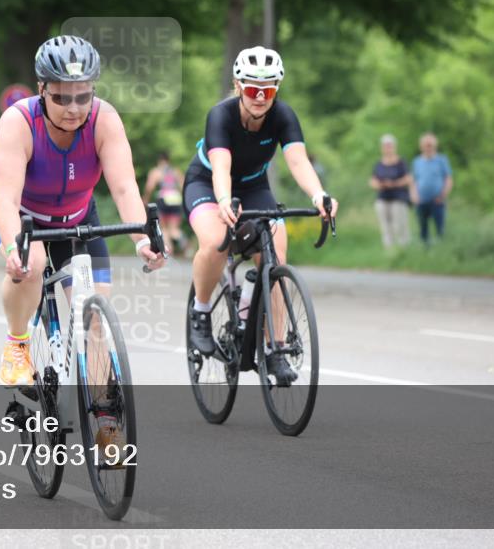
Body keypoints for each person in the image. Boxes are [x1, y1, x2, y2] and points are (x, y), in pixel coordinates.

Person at [0, 35, 166, 453]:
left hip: (78, 218)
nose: (73, 108)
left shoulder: (105, 120)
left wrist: (142, 239)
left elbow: (124, 187)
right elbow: (6, 199)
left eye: (83, 96)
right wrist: (12, 250)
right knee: (30, 262)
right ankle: (17, 343)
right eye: (62, 97)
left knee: (94, 320)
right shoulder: (18, 121)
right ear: (41, 89)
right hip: (23, 215)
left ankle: (105, 421)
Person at [184, 46, 337, 385]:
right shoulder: (220, 115)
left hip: (254, 187)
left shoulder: (283, 116)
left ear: (276, 90)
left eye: (267, 91)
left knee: (275, 257)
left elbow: (298, 160)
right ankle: (201, 311)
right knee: (216, 242)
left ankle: (275, 349)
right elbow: (221, 166)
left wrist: (319, 195)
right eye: (253, 89)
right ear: (238, 86)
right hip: (208, 184)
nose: (259, 97)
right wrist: (224, 200)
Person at [370, 134, 412, 248]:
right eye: (385, 146)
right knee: (385, 226)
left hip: (398, 198)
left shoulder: (401, 162)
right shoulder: (379, 164)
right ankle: (389, 249)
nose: (387, 148)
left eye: (389, 145)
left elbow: (408, 179)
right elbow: (373, 180)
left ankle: (403, 248)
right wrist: (380, 184)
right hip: (383, 198)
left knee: (399, 225)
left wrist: (393, 183)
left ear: (394, 147)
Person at [410, 133, 453, 245]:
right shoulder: (417, 161)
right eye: (426, 145)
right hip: (421, 201)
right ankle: (425, 250)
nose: (428, 148)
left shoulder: (442, 160)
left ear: (435, 146)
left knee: (440, 229)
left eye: (430, 145)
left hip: (437, 200)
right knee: (423, 230)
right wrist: (414, 196)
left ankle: (441, 249)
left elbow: (448, 179)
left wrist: (443, 195)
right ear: (421, 146)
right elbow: (413, 181)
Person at [143, 152, 187, 255]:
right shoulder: (175, 171)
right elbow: (183, 186)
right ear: (168, 160)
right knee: (174, 229)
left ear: (159, 161)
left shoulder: (156, 172)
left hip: (163, 200)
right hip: (176, 200)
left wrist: (145, 199)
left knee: (163, 228)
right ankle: (183, 240)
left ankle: (169, 250)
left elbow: (149, 187)